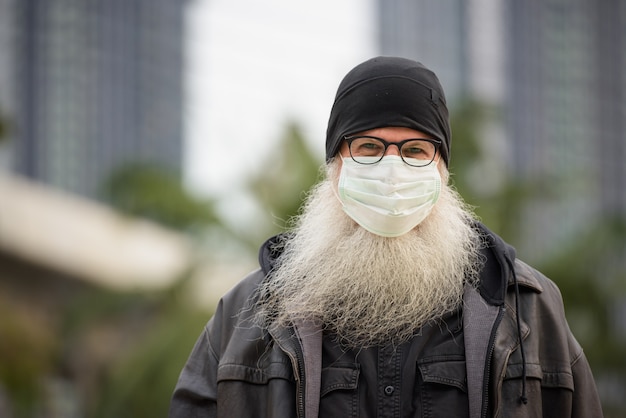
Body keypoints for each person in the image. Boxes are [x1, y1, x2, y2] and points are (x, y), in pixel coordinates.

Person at [169, 56, 603, 417]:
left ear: (442, 171)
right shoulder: (245, 316)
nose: (392, 172)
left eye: (415, 150)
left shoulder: (527, 307)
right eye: (369, 148)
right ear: (335, 166)